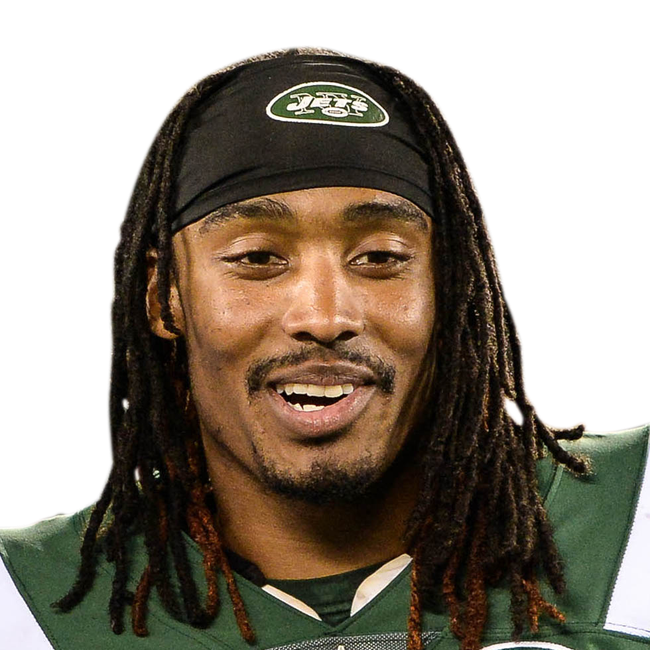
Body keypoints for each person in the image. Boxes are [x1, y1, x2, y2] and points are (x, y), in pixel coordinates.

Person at [1, 45, 648, 650]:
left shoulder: (634, 513)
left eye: (380, 257)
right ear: (164, 297)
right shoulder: (26, 606)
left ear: (450, 287)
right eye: (257, 257)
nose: (325, 316)